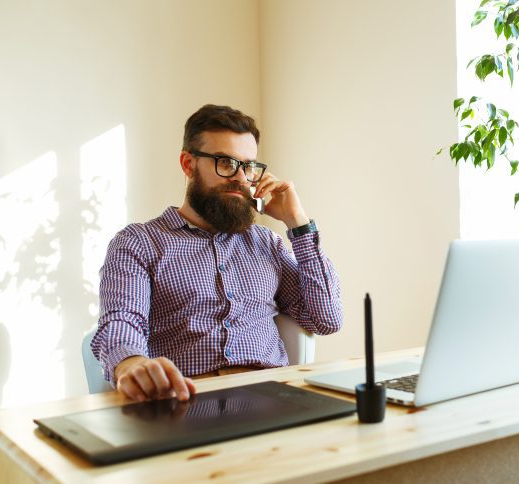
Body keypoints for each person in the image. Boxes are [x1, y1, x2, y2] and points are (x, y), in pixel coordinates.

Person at [91, 104, 343, 402]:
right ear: (188, 164)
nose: (240, 177)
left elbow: (327, 319)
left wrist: (297, 223)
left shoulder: (267, 244)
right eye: (225, 162)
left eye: (248, 166)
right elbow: (122, 321)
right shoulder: (138, 242)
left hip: (272, 398)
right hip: (187, 401)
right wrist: (132, 364)